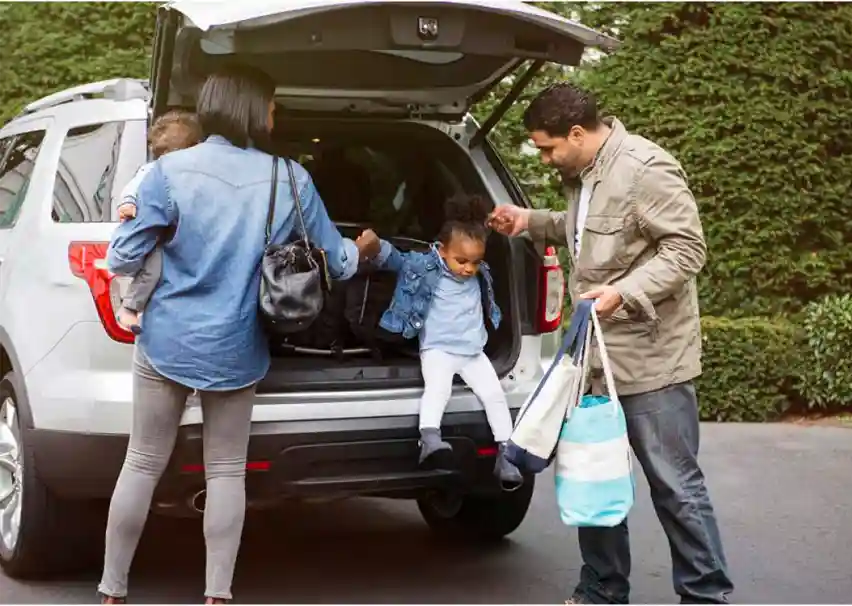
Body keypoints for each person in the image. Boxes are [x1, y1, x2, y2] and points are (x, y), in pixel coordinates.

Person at [98, 64, 381, 605]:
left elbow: (121, 255)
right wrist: (363, 250)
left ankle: (113, 590)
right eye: (271, 104)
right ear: (253, 109)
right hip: (237, 347)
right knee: (226, 470)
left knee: (142, 462)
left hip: (166, 342)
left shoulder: (167, 172)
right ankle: (217, 595)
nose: (274, 114)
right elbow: (337, 263)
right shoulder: (289, 177)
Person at [489, 83, 733, 605]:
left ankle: (705, 595)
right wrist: (529, 222)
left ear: (576, 134)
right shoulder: (582, 175)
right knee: (593, 478)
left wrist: (623, 293)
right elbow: (587, 233)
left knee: (675, 487)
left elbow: (688, 248)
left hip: (652, 362)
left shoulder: (647, 168)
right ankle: (601, 591)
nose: (545, 157)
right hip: (594, 363)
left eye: (548, 148)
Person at [371, 194, 523, 489]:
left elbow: (482, 232)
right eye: (461, 261)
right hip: (438, 349)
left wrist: (492, 220)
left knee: (494, 395)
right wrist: (376, 248)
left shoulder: (476, 270)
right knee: (437, 391)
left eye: (476, 262)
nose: (468, 269)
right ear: (442, 251)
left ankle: (507, 454)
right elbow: (399, 260)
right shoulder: (427, 267)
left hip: (473, 352)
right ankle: (429, 439)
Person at [115, 109, 203, 334]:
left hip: (174, 236)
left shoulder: (194, 174)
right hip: (157, 239)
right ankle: (130, 308)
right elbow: (132, 188)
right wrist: (127, 203)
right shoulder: (153, 170)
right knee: (152, 270)